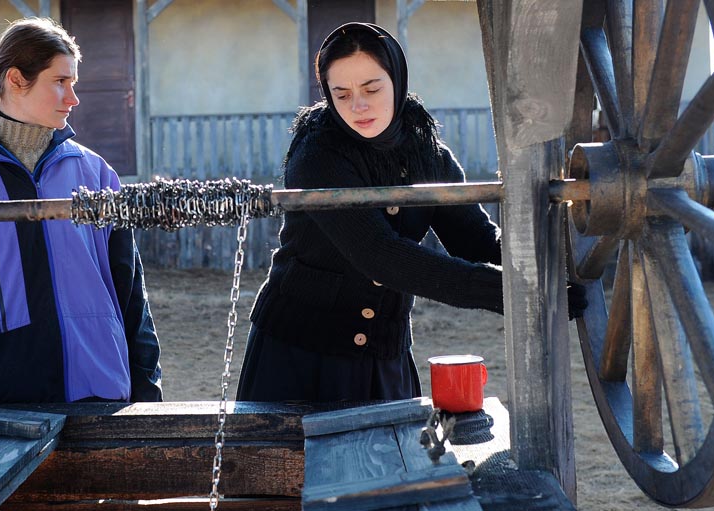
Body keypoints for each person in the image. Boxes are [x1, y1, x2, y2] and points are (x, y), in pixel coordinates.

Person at [236, 22, 584, 402]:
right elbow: (381, 255)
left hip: (383, 354)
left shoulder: (426, 152)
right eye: (342, 94)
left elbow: (477, 240)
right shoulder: (317, 155)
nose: (359, 105)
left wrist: (549, 271)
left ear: (397, 81)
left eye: (372, 88)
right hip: (299, 354)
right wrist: (512, 293)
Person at [0, 18, 163, 405]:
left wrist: (146, 392)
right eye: (60, 82)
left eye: (73, 83)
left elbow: (131, 297)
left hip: (101, 399)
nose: (73, 98)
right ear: (17, 79)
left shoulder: (97, 174)